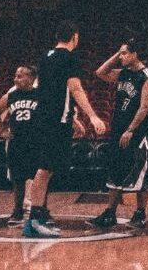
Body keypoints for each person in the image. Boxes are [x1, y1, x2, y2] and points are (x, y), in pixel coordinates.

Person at [22, 20, 108, 238]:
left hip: (46, 118)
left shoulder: (46, 57)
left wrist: (72, 119)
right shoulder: (69, 58)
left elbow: (48, 92)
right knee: (44, 168)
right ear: (75, 37)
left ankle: (38, 217)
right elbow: (75, 89)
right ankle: (33, 221)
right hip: (54, 121)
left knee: (47, 168)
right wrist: (92, 116)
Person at [89, 39, 148, 229]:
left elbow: (144, 108)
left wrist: (130, 130)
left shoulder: (147, 78)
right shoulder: (124, 74)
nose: (121, 57)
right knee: (115, 170)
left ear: (135, 54)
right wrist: (117, 54)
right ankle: (110, 213)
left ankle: (140, 214)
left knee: (140, 175)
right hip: (118, 128)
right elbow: (100, 73)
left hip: (137, 132)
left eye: (125, 54)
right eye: (121, 54)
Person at [0, 66, 41, 226]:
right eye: (15, 76)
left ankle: (39, 211)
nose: (15, 79)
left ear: (31, 79)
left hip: (36, 141)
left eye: (20, 76)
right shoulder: (10, 96)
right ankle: (17, 211)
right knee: (18, 179)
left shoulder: (41, 95)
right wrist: (2, 130)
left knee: (38, 178)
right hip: (17, 141)